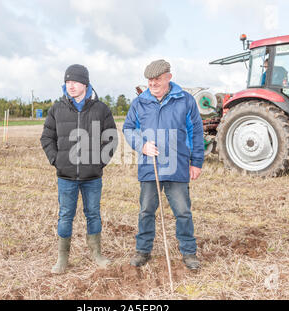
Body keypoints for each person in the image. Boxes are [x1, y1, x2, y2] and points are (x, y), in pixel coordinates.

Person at [123, 59, 204, 270]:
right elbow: (129, 128)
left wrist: (196, 162)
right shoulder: (139, 102)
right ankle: (142, 251)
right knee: (146, 210)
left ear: (169, 77)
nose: (153, 83)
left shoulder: (185, 100)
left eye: (157, 79)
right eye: (150, 80)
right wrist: (141, 146)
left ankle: (189, 253)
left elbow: (196, 133)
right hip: (150, 166)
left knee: (183, 211)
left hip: (177, 165)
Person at [41, 64, 118, 274]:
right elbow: (47, 137)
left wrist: (99, 162)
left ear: (85, 83)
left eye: (74, 82)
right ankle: (62, 258)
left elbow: (111, 139)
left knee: (93, 214)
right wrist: (57, 160)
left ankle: (96, 254)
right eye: (67, 82)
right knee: (65, 215)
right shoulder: (57, 108)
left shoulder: (101, 109)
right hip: (66, 176)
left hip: (92, 176)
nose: (70, 86)